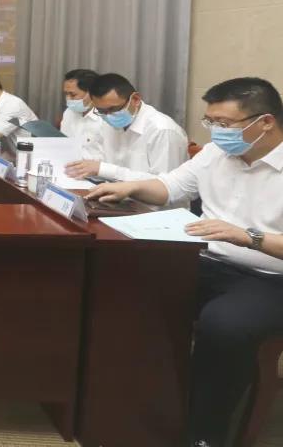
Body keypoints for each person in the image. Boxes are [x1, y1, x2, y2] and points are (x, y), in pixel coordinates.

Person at [85, 77, 283, 447]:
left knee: (224, 325)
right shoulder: (214, 154)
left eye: (225, 123)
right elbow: (170, 187)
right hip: (208, 260)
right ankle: (129, 409)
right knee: (125, 288)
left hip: (270, 277)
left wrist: (249, 236)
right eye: (211, 121)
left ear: (265, 122)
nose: (216, 132)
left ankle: (205, 435)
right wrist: (129, 187)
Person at [65, 72, 187, 181]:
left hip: (147, 200)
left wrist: (105, 170)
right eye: (101, 111)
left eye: (113, 109)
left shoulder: (162, 130)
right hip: (114, 193)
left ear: (135, 99)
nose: (108, 116)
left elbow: (165, 185)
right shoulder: (107, 123)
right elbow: (104, 164)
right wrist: (87, 168)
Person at [60, 69, 104, 159]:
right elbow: (64, 144)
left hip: (97, 166)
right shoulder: (69, 112)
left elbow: (112, 157)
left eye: (73, 95)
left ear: (92, 93)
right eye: (66, 94)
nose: (68, 99)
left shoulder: (106, 118)